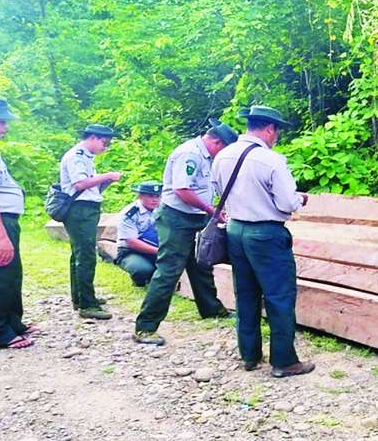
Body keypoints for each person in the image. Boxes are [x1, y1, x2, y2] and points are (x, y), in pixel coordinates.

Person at [211, 105, 314, 378]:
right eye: (276, 131)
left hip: (235, 230)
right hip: (266, 233)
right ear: (269, 129)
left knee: (245, 293)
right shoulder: (271, 160)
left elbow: (219, 190)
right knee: (279, 296)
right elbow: (287, 202)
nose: (276, 137)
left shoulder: (223, 155)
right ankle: (284, 361)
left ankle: (249, 355)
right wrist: (300, 199)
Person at [134, 122, 238, 345]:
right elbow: (182, 190)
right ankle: (145, 327)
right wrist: (211, 210)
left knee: (201, 263)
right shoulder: (189, 154)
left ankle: (211, 309)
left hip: (195, 216)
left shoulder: (207, 156)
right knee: (169, 269)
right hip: (176, 218)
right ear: (217, 142)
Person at [60, 124, 122, 320]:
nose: (105, 147)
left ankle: (80, 297)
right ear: (93, 138)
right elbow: (79, 184)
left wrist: (105, 182)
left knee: (79, 254)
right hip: (80, 211)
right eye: (104, 143)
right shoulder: (76, 156)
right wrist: (107, 175)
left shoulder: (86, 156)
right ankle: (87, 304)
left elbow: (90, 188)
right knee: (86, 255)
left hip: (86, 209)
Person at [0, 98, 37, 349]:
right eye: (2, 122)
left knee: (12, 274)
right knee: (2, 276)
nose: (6, 127)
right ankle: (1, 331)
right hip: (1, 222)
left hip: (8, 219)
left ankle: (12, 322)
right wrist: (1, 236)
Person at [115, 181, 162, 287]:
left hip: (157, 247)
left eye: (157, 196)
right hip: (132, 251)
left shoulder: (163, 210)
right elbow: (131, 242)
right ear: (140, 196)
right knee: (142, 270)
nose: (154, 200)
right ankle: (139, 280)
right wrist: (160, 252)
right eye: (150, 196)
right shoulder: (130, 213)